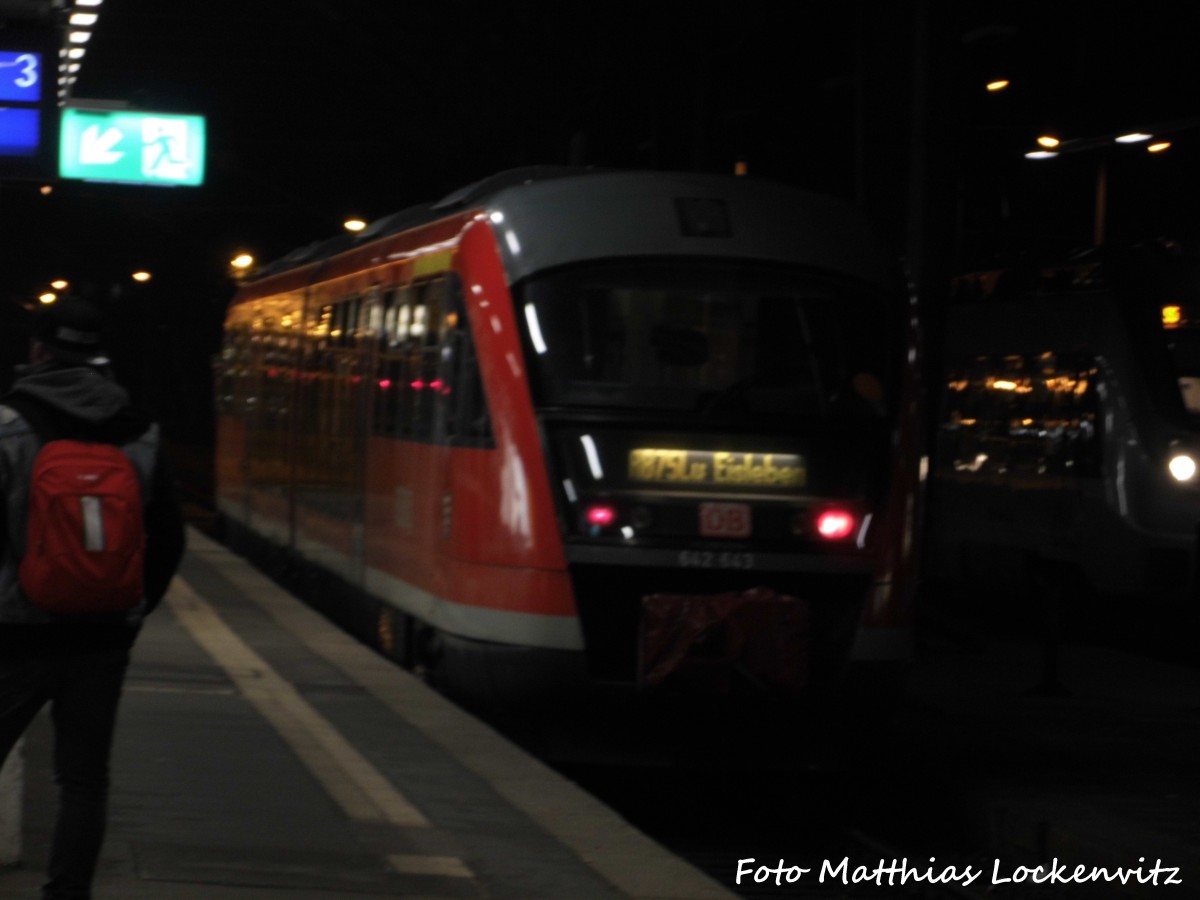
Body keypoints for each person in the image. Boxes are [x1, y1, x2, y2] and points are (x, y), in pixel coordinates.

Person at [0, 296, 185, 900]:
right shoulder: (141, 431)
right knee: (84, 779)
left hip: (16, 632)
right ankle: (67, 893)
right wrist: (131, 610)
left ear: (37, 351)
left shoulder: (8, 425)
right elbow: (169, 538)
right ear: (98, 354)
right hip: (103, 636)